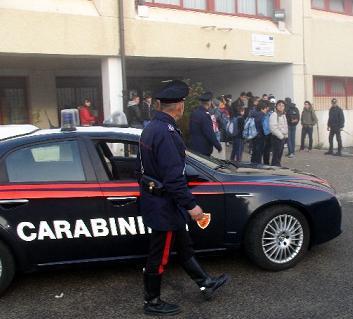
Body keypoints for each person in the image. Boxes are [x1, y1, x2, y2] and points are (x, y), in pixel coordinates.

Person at [137, 80, 228, 316]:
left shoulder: (152, 127)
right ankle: (152, 302)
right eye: (182, 104)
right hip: (165, 205)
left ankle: (205, 282)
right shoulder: (165, 133)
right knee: (160, 254)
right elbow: (174, 178)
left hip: (162, 202)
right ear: (179, 106)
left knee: (184, 245)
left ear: (159, 104)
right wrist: (192, 207)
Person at [189, 92, 222, 156]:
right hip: (203, 149)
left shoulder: (194, 113)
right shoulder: (205, 115)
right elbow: (209, 132)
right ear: (210, 102)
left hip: (193, 146)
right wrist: (218, 146)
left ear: (200, 102)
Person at [269, 100, 288, 166]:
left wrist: (285, 135)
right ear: (276, 106)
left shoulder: (283, 115)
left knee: (279, 154)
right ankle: (274, 168)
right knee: (276, 155)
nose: (281, 107)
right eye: (279, 105)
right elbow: (273, 128)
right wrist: (281, 136)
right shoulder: (274, 115)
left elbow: (285, 126)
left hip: (282, 138)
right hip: (276, 138)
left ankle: (277, 166)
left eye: (283, 106)